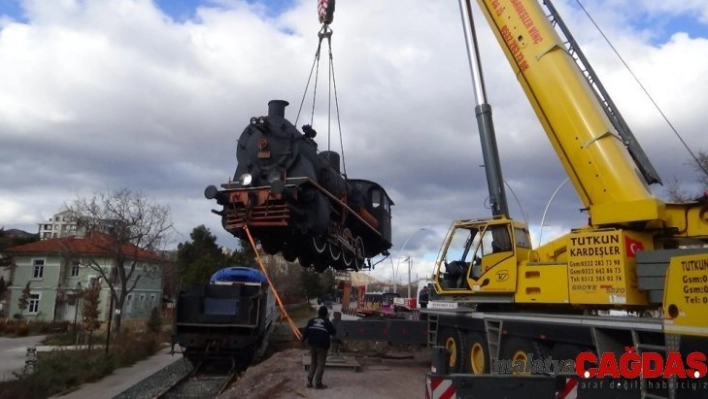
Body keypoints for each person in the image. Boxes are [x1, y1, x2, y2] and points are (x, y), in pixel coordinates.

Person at [301, 305, 337, 389]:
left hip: (312, 344)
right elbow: (333, 332)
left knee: (313, 362)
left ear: (318, 313)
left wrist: (302, 340)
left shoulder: (312, 321)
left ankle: (309, 381)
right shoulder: (327, 322)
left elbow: (305, 331)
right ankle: (318, 383)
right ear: (326, 314)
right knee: (321, 363)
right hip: (322, 346)